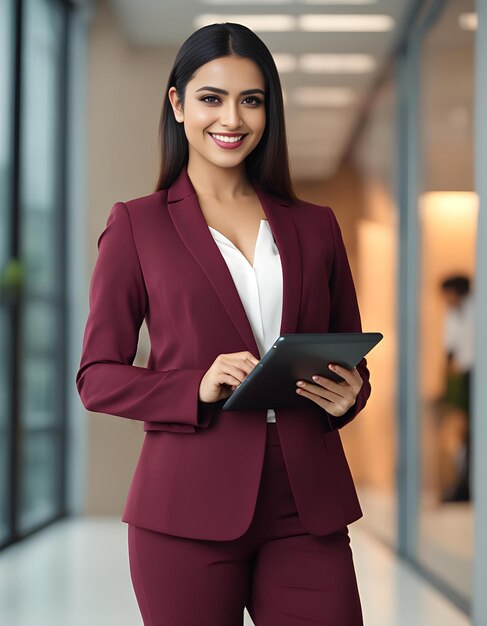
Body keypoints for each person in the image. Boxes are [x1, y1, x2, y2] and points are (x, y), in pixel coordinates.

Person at [76, 22, 372, 626]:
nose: (231, 118)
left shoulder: (316, 226)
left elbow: (348, 358)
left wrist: (351, 394)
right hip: (185, 508)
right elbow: (96, 377)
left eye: (251, 99)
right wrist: (194, 385)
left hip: (306, 504)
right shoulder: (137, 225)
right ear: (178, 103)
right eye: (211, 97)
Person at [440, 275, 474, 502]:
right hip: (465, 376)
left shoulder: (477, 309)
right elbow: (449, 351)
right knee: (465, 431)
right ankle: (464, 486)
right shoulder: (452, 315)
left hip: (477, 374)